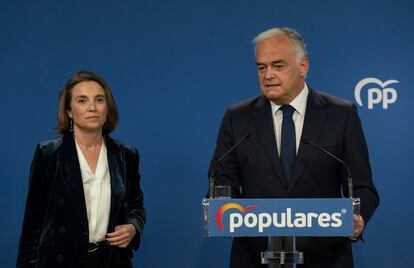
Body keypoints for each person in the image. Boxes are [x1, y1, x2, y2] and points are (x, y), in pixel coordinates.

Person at [208, 27, 379, 268]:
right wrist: (224, 208)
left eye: (278, 66)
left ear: (303, 66)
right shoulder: (238, 118)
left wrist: (358, 217)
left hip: (325, 259)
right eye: (261, 67)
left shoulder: (341, 114)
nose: (268, 75)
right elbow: (222, 184)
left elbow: (363, 187)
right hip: (255, 259)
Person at [16, 70, 146, 268]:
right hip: (60, 261)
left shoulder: (126, 155)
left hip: (111, 260)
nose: (92, 107)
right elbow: (32, 224)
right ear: (69, 111)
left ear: (107, 108)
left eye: (99, 100)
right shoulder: (49, 154)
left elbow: (136, 207)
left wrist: (133, 227)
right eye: (82, 100)